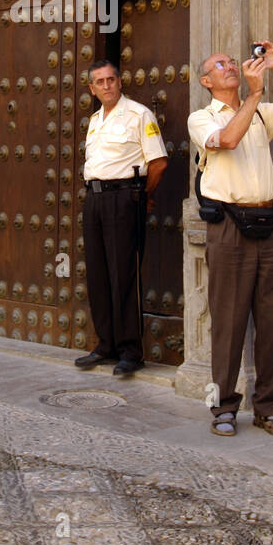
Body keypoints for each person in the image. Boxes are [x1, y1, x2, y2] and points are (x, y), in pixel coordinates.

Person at [188, 40, 273, 437]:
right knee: (228, 319)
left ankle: (269, 407)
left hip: (270, 221)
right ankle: (224, 406)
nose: (229, 66)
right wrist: (256, 93)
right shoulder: (202, 117)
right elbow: (227, 140)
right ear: (207, 81)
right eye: (220, 65)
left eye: (230, 61)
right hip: (229, 226)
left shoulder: (261, 112)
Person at [76, 59, 168, 376]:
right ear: (92, 88)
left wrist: (144, 196)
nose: (106, 86)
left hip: (124, 198)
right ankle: (106, 345)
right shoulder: (95, 120)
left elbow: (158, 162)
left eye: (111, 79)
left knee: (124, 273)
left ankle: (130, 350)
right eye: (99, 82)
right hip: (95, 198)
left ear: (119, 81)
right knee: (99, 273)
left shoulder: (139, 115)